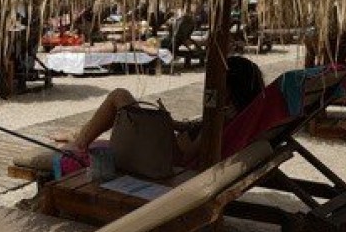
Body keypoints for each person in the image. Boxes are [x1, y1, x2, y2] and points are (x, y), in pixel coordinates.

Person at [53, 55, 265, 165]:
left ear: (229, 86)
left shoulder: (221, 118)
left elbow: (188, 153)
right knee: (124, 105)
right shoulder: (233, 113)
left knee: (119, 96)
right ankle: (78, 135)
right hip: (166, 147)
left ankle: (80, 144)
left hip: (166, 158)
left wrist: (165, 129)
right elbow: (197, 131)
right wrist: (172, 123)